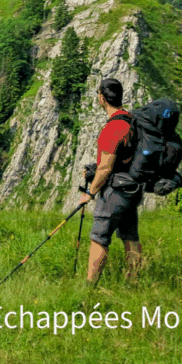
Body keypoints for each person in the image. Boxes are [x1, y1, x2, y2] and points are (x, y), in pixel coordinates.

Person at [78, 77, 142, 284]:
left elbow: (106, 167)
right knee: (130, 236)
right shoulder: (132, 122)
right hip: (133, 189)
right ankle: (133, 282)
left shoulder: (113, 128)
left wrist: (90, 193)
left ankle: (89, 286)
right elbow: (124, 158)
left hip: (115, 192)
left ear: (102, 98)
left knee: (99, 236)